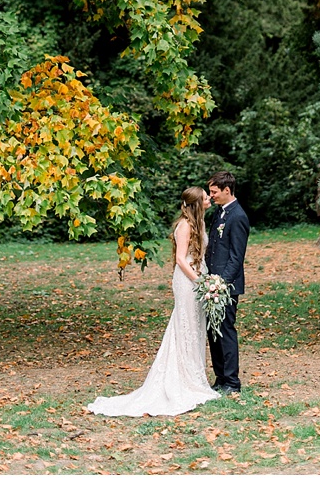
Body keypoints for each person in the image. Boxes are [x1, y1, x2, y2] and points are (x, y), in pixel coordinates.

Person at [86, 187, 220, 417]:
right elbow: (180, 259)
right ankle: (182, 380)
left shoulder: (200, 223)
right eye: (206, 198)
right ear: (197, 203)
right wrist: (200, 282)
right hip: (188, 282)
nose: (210, 199)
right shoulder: (184, 226)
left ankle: (196, 378)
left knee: (196, 329)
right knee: (184, 327)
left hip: (199, 277)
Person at [205, 170, 250, 394]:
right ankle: (220, 378)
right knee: (213, 332)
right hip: (211, 285)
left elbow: (236, 256)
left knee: (225, 331)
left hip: (226, 287)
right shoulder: (219, 213)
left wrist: (221, 285)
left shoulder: (238, 216)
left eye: (214, 192)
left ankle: (232, 381)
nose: (211, 196)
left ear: (227, 190)